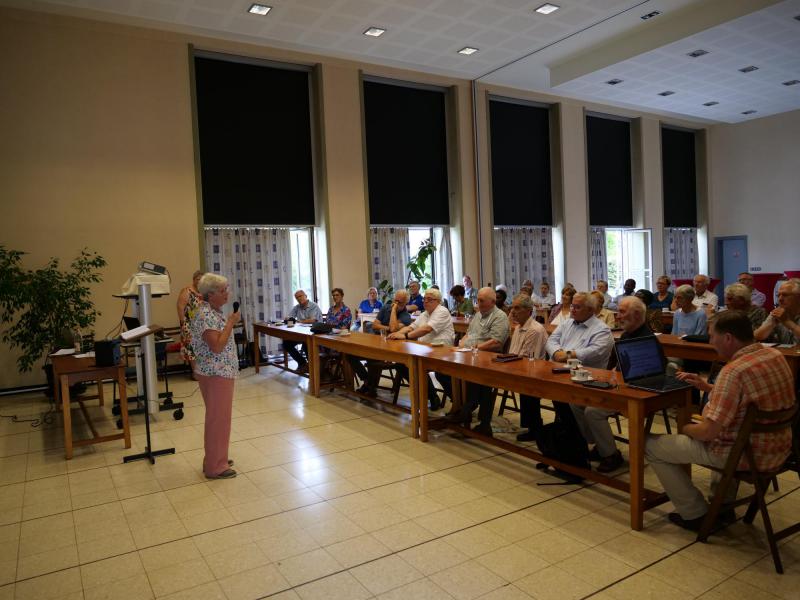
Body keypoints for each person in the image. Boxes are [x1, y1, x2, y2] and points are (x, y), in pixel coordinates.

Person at [645, 310, 795, 531]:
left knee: (650, 445)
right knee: (724, 426)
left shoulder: (733, 371)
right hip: (780, 449)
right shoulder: (774, 356)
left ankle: (695, 513)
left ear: (727, 338)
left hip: (745, 454)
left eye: (712, 336)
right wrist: (707, 387)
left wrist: (685, 426)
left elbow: (708, 433)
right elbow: (748, 397)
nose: (710, 342)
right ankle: (722, 503)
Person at [566, 296, 637, 473]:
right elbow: (614, 366)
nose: (617, 317)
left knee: (593, 410)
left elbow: (637, 373)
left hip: (632, 391)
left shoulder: (643, 336)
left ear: (636, 315)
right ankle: (599, 444)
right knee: (575, 402)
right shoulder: (628, 334)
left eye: (621, 312)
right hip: (616, 384)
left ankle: (611, 454)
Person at [190, 273, 240, 480]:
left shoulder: (212, 311)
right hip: (215, 372)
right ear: (210, 295)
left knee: (219, 418)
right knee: (218, 419)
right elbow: (217, 346)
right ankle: (215, 467)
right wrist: (231, 322)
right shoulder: (205, 314)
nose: (227, 293)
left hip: (219, 372)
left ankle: (216, 457)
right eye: (222, 291)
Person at [446, 287, 510, 434]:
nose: (478, 304)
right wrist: (462, 343)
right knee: (446, 371)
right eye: (478, 300)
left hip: (489, 359)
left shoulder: (499, 316)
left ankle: (467, 410)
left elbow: (496, 342)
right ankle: (462, 407)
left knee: (477, 379)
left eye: (482, 301)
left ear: (492, 302)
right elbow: (468, 334)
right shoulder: (477, 315)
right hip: (470, 355)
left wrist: (475, 348)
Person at [389, 287, 455, 407]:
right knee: (401, 364)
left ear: (438, 301)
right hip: (425, 350)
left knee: (421, 367)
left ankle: (458, 402)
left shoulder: (442, 311)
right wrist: (398, 334)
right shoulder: (425, 314)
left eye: (429, 299)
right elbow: (411, 327)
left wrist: (405, 336)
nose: (425, 301)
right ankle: (432, 396)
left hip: (442, 351)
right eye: (424, 299)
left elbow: (426, 329)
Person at [349, 290, 412, 397]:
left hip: (392, 348)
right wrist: (388, 329)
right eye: (395, 301)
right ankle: (367, 381)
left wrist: (393, 311)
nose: (395, 304)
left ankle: (370, 386)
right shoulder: (385, 307)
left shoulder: (406, 316)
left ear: (405, 303)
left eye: (399, 302)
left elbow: (393, 328)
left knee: (373, 359)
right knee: (350, 354)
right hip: (377, 342)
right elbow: (375, 326)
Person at [285, 289, 322, 373]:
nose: (299, 298)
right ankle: (302, 363)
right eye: (297, 297)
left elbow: (313, 320)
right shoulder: (297, 307)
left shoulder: (313, 306)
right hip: (301, 333)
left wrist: (298, 321)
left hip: (314, 333)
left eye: (300, 296)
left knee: (306, 343)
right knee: (286, 343)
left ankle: (313, 367)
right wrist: (288, 318)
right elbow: (290, 317)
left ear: (306, 296)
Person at [754, 279, 800, 345]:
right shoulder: (778, 312)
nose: (780, 299)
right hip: (785, 354)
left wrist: (787, 322)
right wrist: (770, 325)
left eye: (785, 295)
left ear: (798, 297)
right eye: (778, 295)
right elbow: (758, 336)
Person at [176, 270, 204, 375]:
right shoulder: (187, 291)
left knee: (202, 347)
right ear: (194, 280)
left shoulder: (203, 292)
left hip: (202, 325)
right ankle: (195, 372)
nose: (200, 281)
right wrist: (183, 323)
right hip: (189, 325)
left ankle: (203, 371)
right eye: (198, 279)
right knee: (192, 349)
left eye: (202, 280)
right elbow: (180, 307)